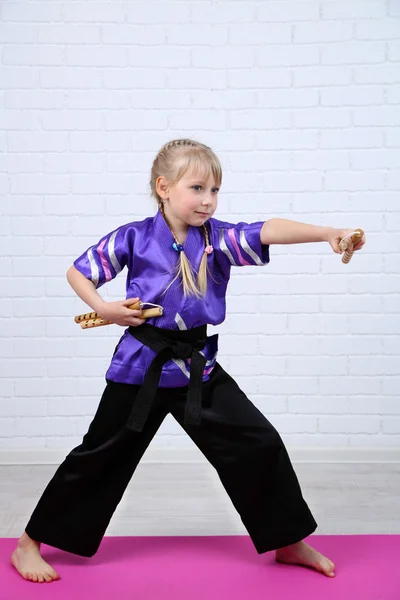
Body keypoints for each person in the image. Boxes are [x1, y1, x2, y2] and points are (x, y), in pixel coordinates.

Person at [11, 138, 366, 583]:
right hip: (142, 365)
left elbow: (266, 229)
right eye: (197, 188)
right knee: (100, 455)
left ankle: (287, 541)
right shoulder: (135, 237)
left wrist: (326, 233)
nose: (208, 200)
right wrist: (103, 308)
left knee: (258, 441)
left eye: (215, 190)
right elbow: (78, 272)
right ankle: (29, 543)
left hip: (198, 366)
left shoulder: (217, 240)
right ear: (163, 187)